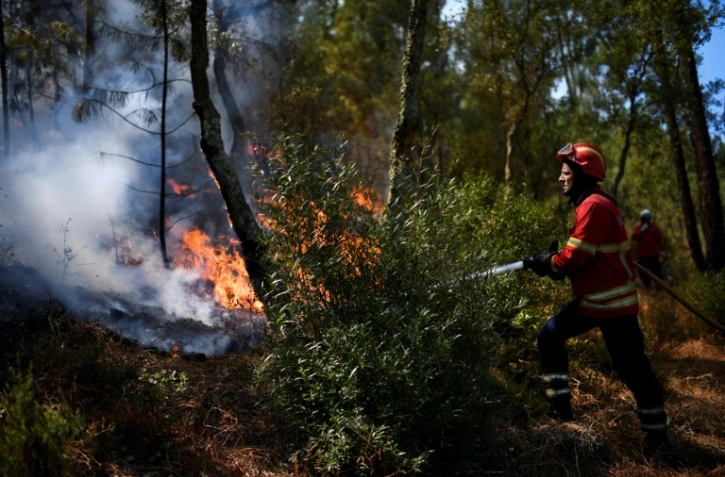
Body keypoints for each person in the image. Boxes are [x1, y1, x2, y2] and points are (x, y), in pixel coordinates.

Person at [523, 143, 671, 458]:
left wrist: (548, 263)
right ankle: (561, 415)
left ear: (581, 174)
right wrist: (553, 259)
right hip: (596, 302)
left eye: (565, 173)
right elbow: (581, 253)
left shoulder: (593, 205)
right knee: (549, 336)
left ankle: (661, 444)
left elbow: (574, 258)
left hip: (611, 307)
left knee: (633, 370)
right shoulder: (593, 204)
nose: (561, 179)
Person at [631, 209, 667, 288]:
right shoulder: (638, 228)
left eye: (648, 218)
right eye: (645, 218)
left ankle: (659, 289)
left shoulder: (655, 228)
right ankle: (648, 287)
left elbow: (660, 241)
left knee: (657, 273)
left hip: (653, 255)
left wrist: (663, 251)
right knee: (643, 273)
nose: (646, 220)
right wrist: (642, 230)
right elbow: (634, 237)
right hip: (642, 256)